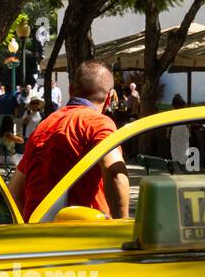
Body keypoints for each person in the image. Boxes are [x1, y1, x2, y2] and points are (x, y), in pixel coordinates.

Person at [8, 60, 128, 220]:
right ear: (109, 97)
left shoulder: (44, 126)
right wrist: (123, 226)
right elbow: (114, 172)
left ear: (71, 90)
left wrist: (30, 228)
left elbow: (14, 192)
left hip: (37, 236)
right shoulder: (98, 123)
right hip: (83, 236)